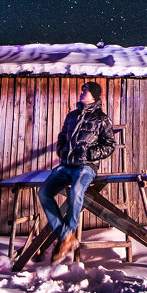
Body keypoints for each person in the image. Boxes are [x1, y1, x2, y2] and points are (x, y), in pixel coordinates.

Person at [37, 80, 116, 264]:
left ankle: (69, 232)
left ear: (94, 96)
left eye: (86, 91)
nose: (82, 92)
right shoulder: (72, 116)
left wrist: (90, 153)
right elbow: (62, 136)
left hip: (86, 166)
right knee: (44, 192)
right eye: (83, 90)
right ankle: (66, 235)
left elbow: (109, 144)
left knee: (76, 191)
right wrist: (62, 150)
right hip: (66, 165)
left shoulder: (102, 119)